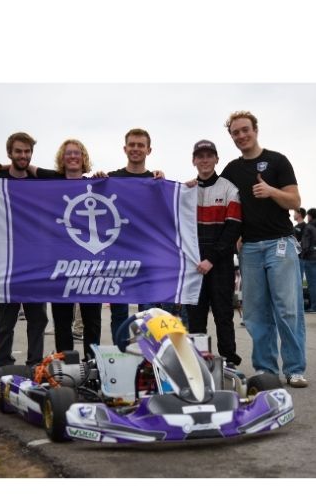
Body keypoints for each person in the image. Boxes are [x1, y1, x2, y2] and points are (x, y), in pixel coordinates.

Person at [220, 110, 307, 387]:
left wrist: (272, 192)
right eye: (236, 132)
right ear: (232, 136)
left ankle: (294, 368)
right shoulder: (232, 170)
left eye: (245, 130)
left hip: (279, 243)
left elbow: (294, 201)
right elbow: (217, 197)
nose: (241, 135)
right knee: (256, 313)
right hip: (250, 249)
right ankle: (266, 369)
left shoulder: (277, 160)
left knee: (287, 309)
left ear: (255, 130)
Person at [0, 132, 51, 369]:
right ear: (9, 153)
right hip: (8, 261)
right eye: (18, 151)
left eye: (27, 151)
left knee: (38, 318)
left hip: (36, 260)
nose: (23, 156)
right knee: (6, 319)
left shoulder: (40, 179)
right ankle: (4, 362)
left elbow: (64, 177)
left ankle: (35, 362)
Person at [104, 129, 169, 347]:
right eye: (132, 144)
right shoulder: (110, 179)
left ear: (148, 150)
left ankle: (148, 358)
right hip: (117, 256)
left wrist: (177, 186)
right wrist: (95, 180)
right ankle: (121, 355)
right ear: (125, 148)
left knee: (148, 312)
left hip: (146, 257)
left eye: (140, 145)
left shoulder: (156, 181)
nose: (136, 149)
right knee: (119, 314)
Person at [183, 140, 242, 366]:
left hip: (220, 264)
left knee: (223, 316)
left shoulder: (229, 188)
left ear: (217, 159)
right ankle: (198, 363)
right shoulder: (186, 191)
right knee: (195, 319)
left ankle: (229, 361)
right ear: (194, 160)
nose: (205, 160)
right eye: (200, 156)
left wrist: (211, 259)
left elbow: (233, 228)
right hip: (193, 264)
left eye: (209, 156)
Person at [48, 139, 102, 359]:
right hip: (62, 263)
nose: (72, 157)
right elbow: (23, 169)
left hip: (91, 263)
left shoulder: (98, 185)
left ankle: (92, 364)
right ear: (62, 157)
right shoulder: (49, 184)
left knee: (92, 321)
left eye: (77, 153)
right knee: (62, 321)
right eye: (68, 153)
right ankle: (66, 364)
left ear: (83, 158)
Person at [300, 208, 316, 313]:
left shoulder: (309, 227)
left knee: (312, 283)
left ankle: (314, 306)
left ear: (310, 216)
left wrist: (302, 255)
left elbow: (305, 244)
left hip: (309, 257)